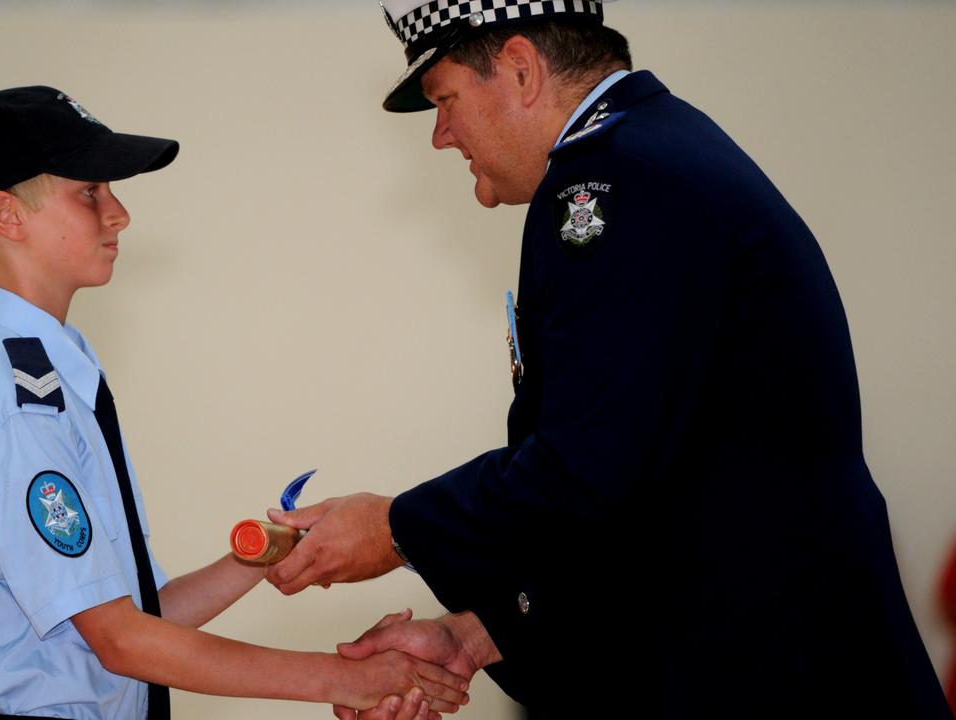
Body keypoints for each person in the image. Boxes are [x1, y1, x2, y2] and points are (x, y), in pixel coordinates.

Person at [263, 2, 953, 718]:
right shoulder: (655, 149)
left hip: (770, 675)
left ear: (522, 69)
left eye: (445, 100)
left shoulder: (610, 182)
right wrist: (476, 637)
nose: (441, 136)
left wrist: (394, 528)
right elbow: (650, 493)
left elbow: (586, 469)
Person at [0, 85, 470, 720]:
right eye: (90, 192)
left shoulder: (58, 373)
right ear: (7, 215)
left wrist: (265, 550)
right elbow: (122, 643)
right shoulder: (18, 409)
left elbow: (138, 617)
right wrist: (341, 678)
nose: (119, 214)